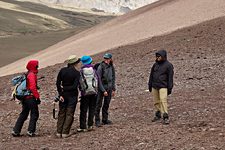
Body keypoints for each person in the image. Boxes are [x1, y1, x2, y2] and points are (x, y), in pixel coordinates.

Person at [12, 60, 41, 137]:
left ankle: (16, 131)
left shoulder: (27, 74)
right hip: (30, 97)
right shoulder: (32, 74)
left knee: (24, 114)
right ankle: (31, 131)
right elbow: (32, 87)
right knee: (34, 113)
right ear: (34, 66)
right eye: (36, 65)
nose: (37, 67)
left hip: (24, 98)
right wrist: (37, 97)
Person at [56, 55, 80, 138]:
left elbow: (58, 84)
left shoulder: (62, 70)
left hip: (63, 95)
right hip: (72, 96)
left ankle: (59, 132)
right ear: (75, 63)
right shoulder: (77, 73)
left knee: (61, 113)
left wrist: (61, 93)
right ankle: (65, 132)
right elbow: (74, 86)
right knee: (69, 114)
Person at [148, 49, 174, 124]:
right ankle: (158, 114)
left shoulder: (168, 65)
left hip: (163, 86)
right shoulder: (155, 65)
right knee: (156, 101)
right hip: (155, 86)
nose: (157, 58)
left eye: (159, 56)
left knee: (163, 100)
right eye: (157, 56)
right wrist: (150, 85)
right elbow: (151, 75)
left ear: (163, 56)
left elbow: (170, 77)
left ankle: (165, 115)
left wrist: (170, 88)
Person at [77, 55, 98, 132]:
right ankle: (90, 125)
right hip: (93, 92)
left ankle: (83, 126)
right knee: (92, 108)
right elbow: (97, 79)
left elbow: (79, 82)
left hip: (84, 93)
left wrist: (81, 90)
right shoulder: (94, 70)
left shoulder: (81, 71)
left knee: (83, 110)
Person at [95, 53, 116, 127]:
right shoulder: (101, 67)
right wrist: (103, 90)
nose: (106, 60)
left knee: (106, 104)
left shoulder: (111, 66)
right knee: (98, 105)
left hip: (109, 88)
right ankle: (97, 120)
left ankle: (105, 119)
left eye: (108, 59)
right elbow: (98, 80)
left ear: (110, 59)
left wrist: (113, 89)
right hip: (101, 89)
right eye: (105, 59)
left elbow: (113, 78)